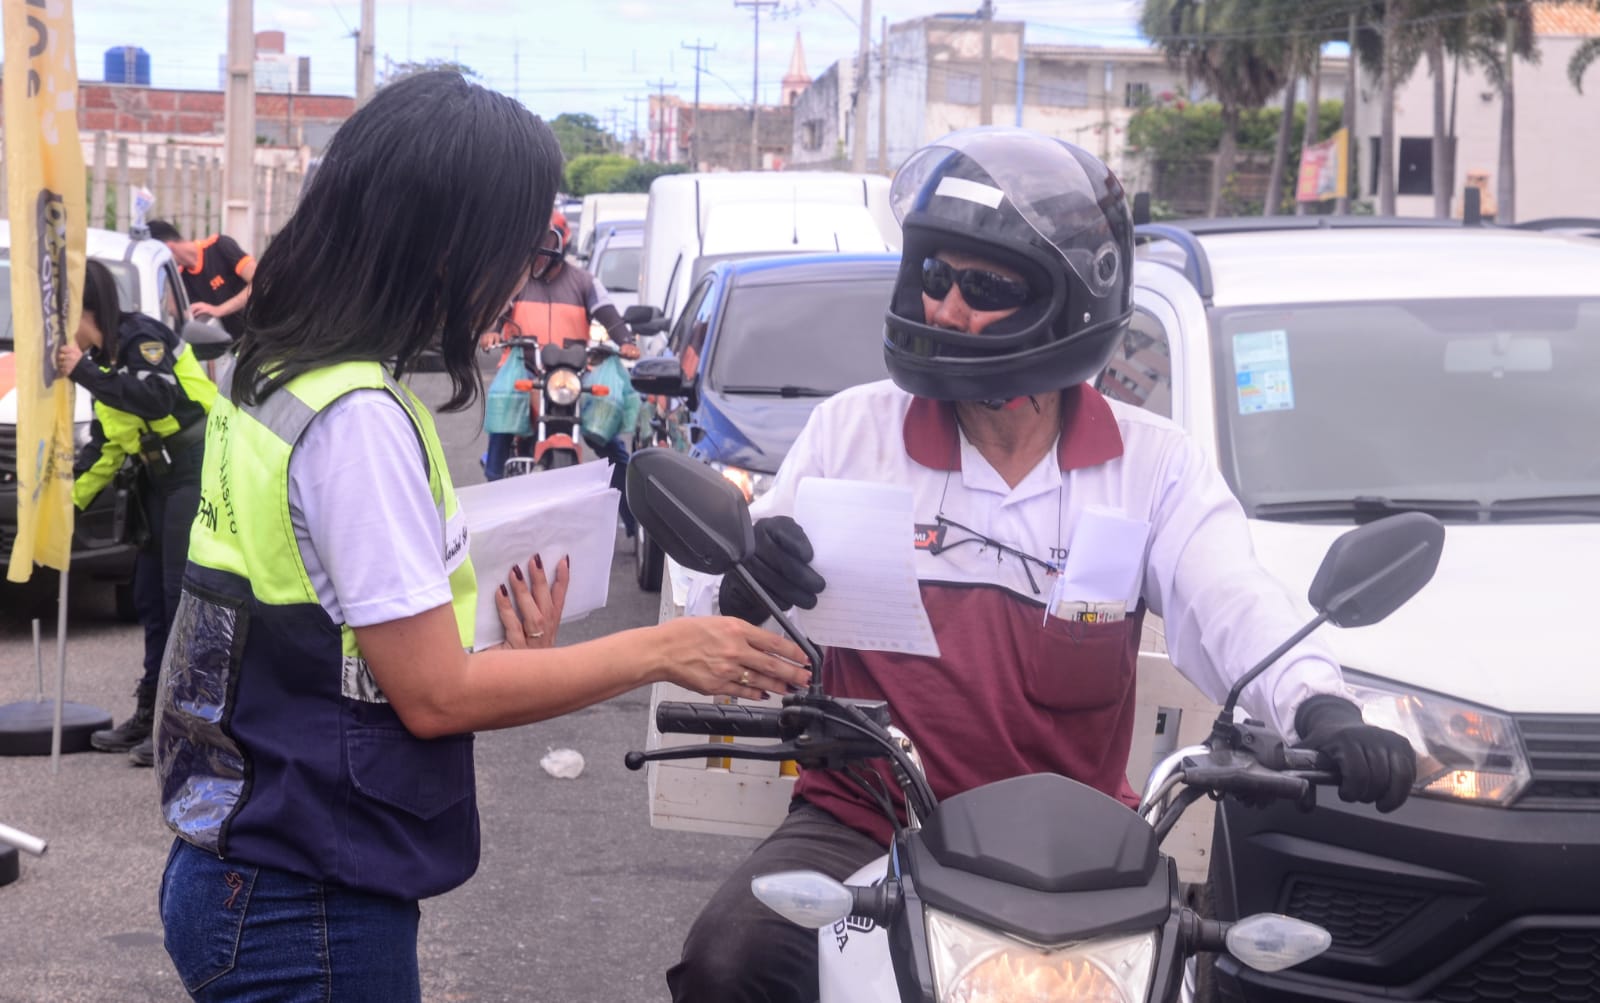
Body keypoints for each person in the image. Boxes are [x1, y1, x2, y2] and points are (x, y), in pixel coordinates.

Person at [666, 127, 1419, 1002]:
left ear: (1066, 305)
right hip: (869, 820)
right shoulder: (851, 434)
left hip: (1074, 851)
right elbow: (716, 609)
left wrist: (1322, 707)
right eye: (934, 277)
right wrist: (748, 575)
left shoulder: (1153, 463)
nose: (945, 307)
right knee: (730, 960)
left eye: (983, 286)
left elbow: (1230, 598)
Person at [151, 71, 810, 1003]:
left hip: (243, 862)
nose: (518, 279)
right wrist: (665, 647)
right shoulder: (358, 419)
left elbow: (327, 619)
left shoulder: (282, 369)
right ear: (445, 246)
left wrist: (514, 649)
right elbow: (432, 694)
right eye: (515, 244)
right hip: (306, 902)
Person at [60, 258, 217, 768]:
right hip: (158, 480)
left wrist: (82, 371)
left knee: (178, 601)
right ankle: (149, 714)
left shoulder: (138, 337)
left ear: (82, 310)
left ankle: (183, 727)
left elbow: (156, 396)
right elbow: (107, 447)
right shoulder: (104, 362)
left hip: (197, 468)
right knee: (149, 599)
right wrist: (60, 508)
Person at [478, 210, 640, 481]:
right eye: (535, 240)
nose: (541, 248)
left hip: (574, 375)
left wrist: (625, 342)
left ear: (562, 242)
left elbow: (609, 315)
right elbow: (498, 311)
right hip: (525, 369)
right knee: (501, 422)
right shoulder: (517, 279)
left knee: (609, 440)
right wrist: (491, 333)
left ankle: (631, 513)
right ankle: (494, 481)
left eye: (547, 240)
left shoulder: (584, 281)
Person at [146, 218, 255, 339]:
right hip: (227, 351)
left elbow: (259, 282)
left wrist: (219, 310)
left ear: (167, 248)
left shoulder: (219, 245)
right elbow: (178, 314)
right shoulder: (180, 278)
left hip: (259, 337)